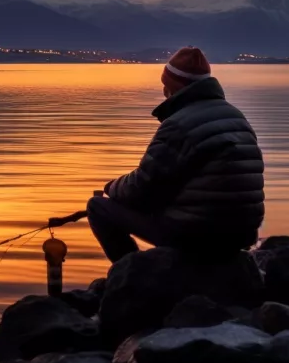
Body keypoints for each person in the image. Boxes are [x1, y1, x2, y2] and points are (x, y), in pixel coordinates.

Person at [50, 46, 264, 262]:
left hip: (200, 234)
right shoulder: (236, 117)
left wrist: (111, 187)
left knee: (98, 208)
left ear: (173, 87)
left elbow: (143, 187)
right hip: (242, 234)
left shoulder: (179, 125)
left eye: (165, 86)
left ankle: (132, 273)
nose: (163, 92)